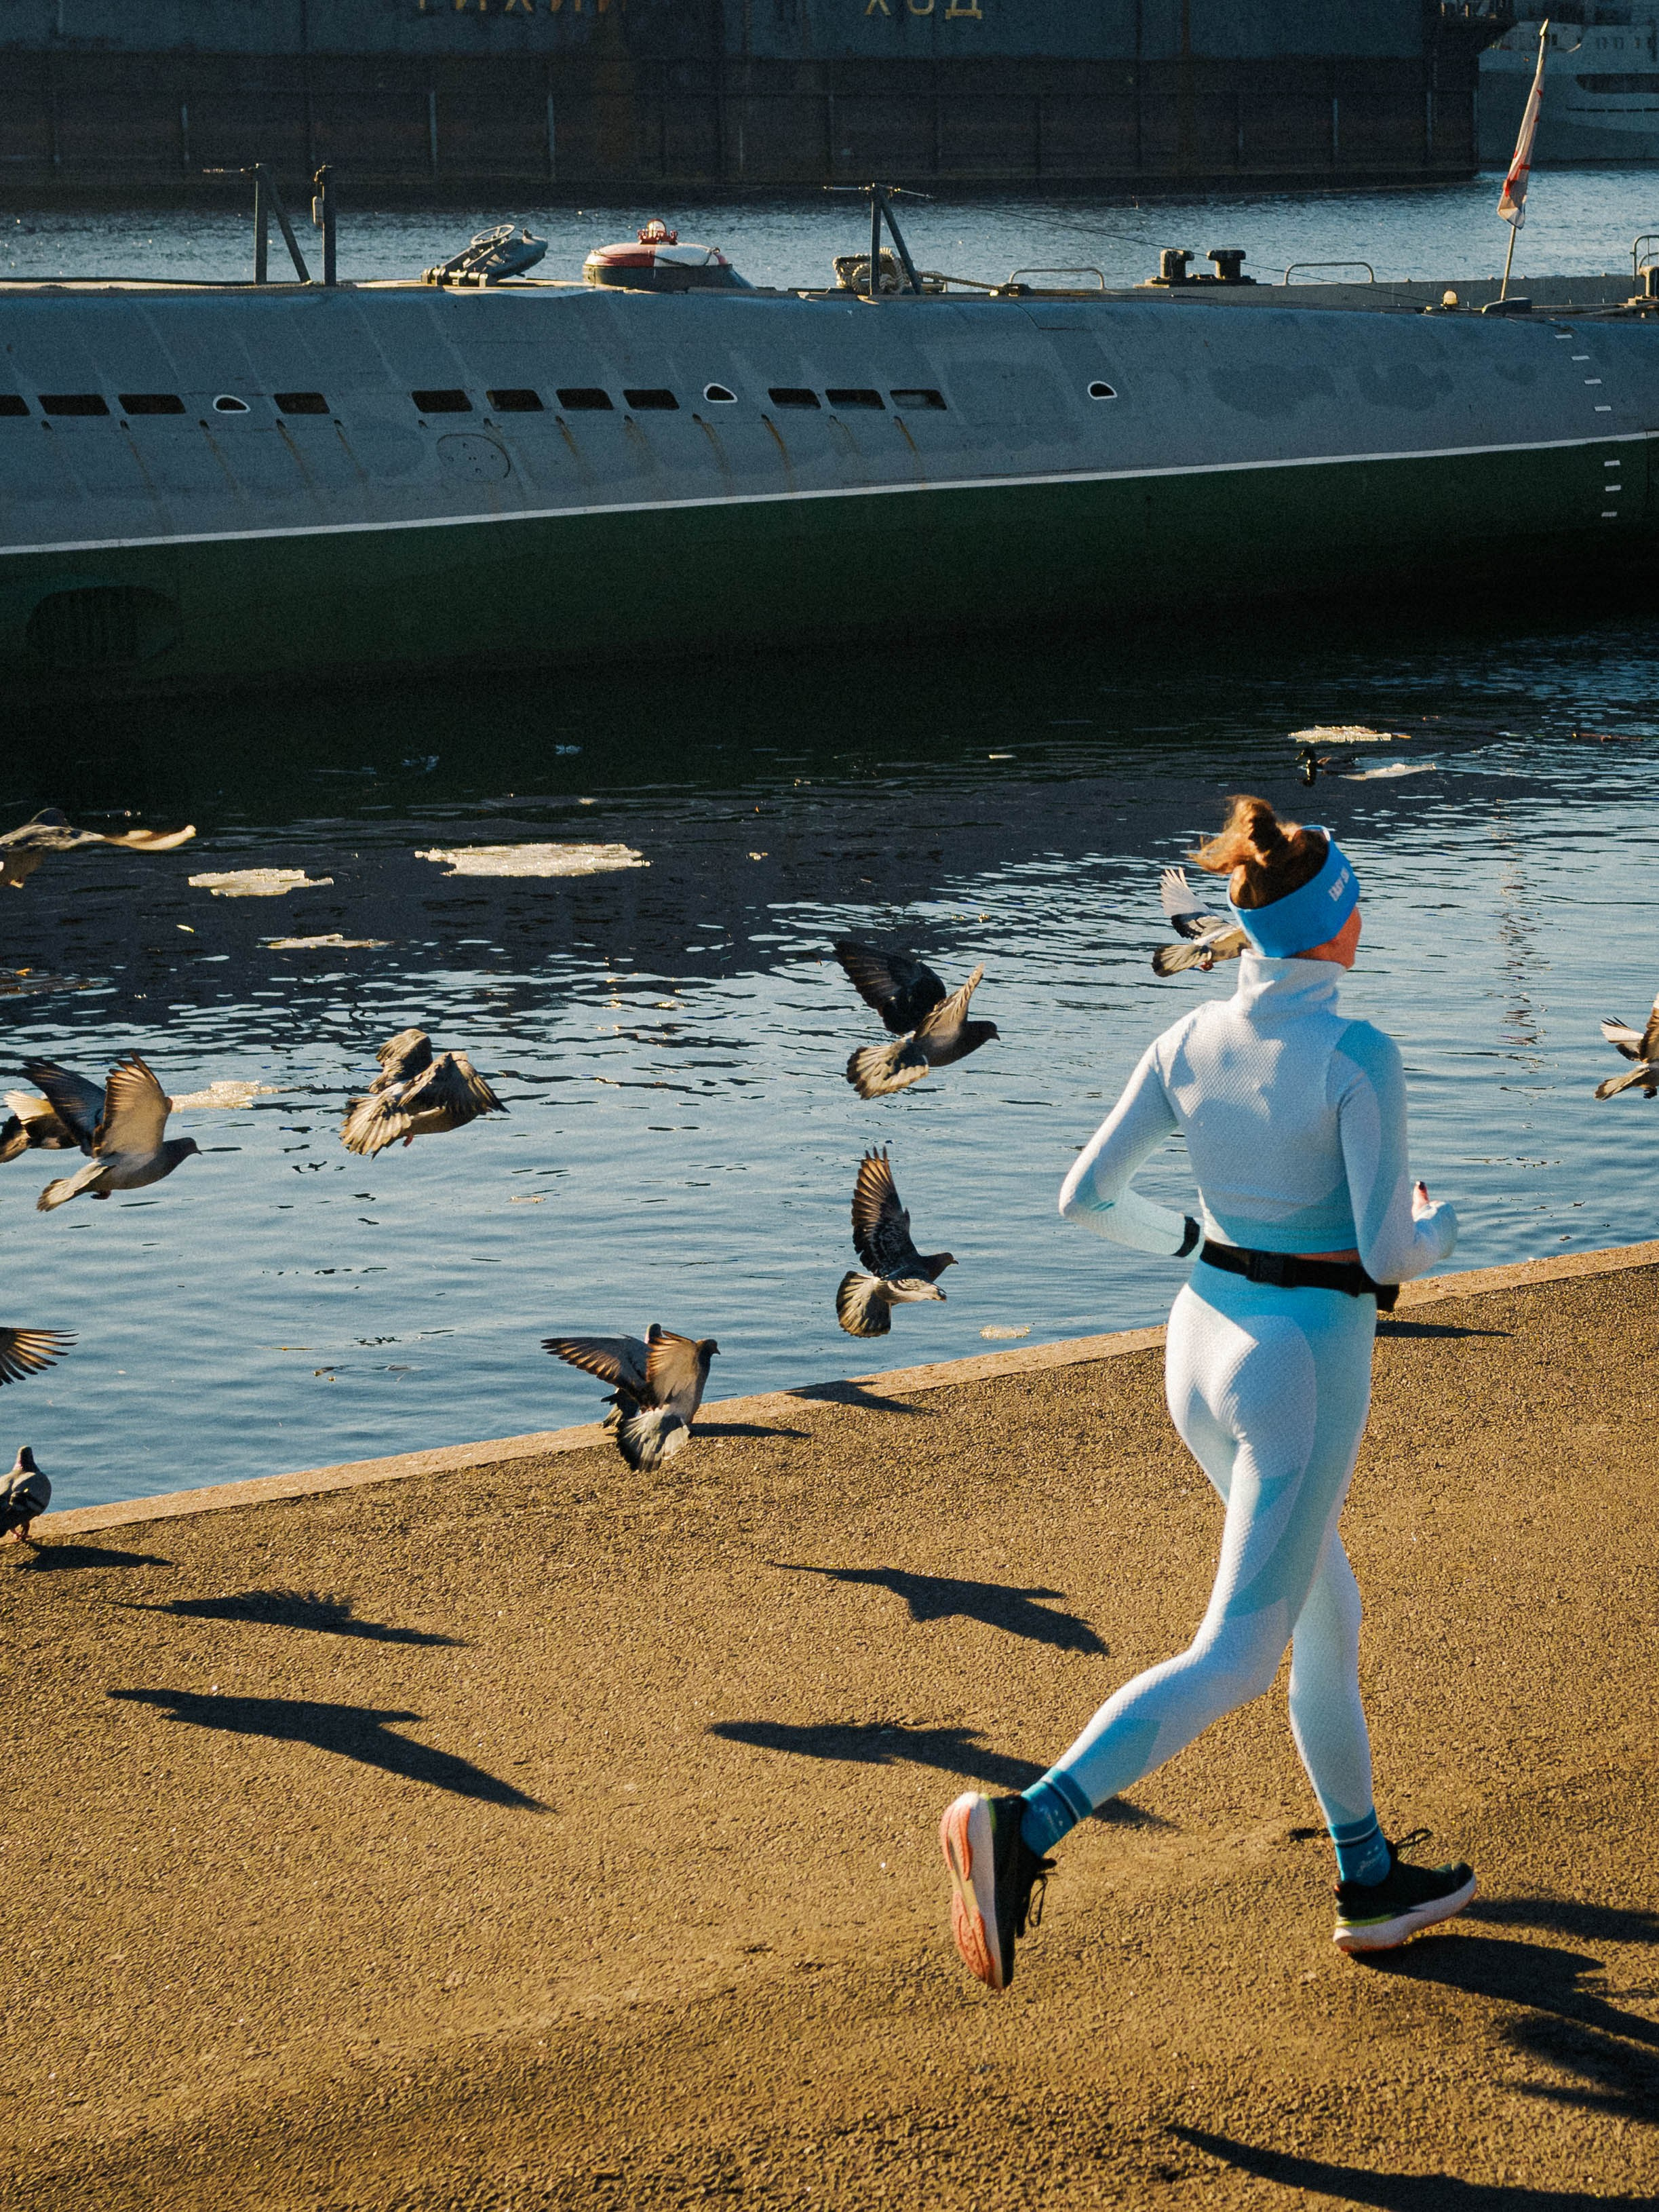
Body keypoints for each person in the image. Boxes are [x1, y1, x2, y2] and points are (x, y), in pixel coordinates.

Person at [940, 796, 1475, 1992]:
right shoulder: (1357, 1053)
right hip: (1300, 1361)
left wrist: (1193, 1238)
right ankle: (1019, 1824)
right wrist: (1444, 1225)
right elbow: (1389, 1257)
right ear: (1335, 925)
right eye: (1357, 896)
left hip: (1197, 1341)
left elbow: (1084, 1197)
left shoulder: (1186, 1039)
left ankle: (1368, 1876)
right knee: (1236, 1652)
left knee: (1320, 1608)